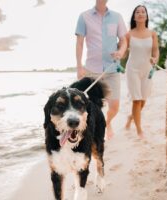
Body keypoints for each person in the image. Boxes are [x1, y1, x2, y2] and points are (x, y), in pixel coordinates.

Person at [75, 0, 127, 140]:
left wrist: (121, 52)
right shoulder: (84, 16)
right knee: (93, 107)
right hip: (92, 69)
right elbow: (79, 43)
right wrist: (79, 67)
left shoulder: (117, 17)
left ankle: (106, 123)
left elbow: (123, 41)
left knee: (114, 107)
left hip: (112, 68)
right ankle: (95, 133)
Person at [124, 5, 159, 139]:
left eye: (143, 12)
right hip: (132, 69)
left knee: (143, 101)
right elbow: (123, 51)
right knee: (136, 100)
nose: (140, 14)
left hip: (148, 70)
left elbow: (155, 50)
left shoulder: (152, 33)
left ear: (146, 16)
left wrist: (155, 59)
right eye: (137, 12)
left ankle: (130, 118)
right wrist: (117, 54)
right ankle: (139, 129)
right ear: (134, 16)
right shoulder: (129, 34)